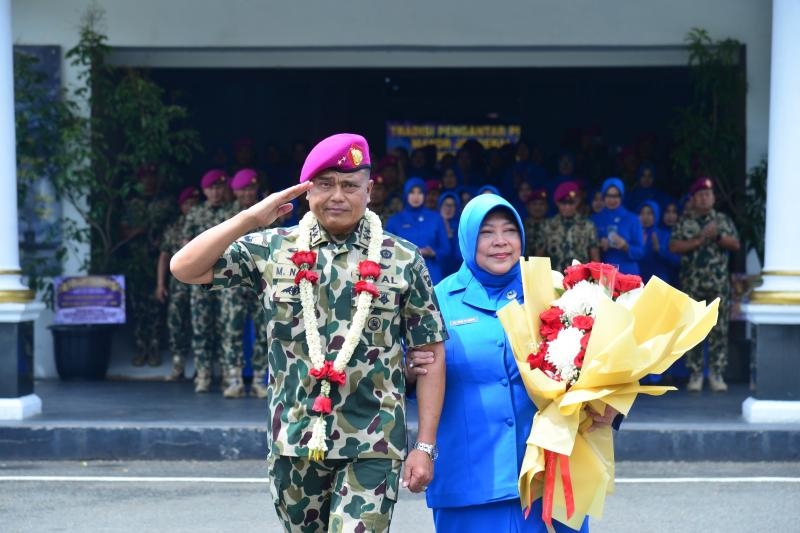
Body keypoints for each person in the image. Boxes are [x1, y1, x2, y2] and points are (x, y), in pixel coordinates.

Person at [171, 133, 448, 532]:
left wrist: (424, 446)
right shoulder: (272, 249)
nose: (338, 195)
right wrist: (251, 217)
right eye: (325, 183)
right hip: (295, 439)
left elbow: (430, 355)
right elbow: (185, 268)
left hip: (373, 443)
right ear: (305, 191)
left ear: (369, 191)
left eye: (350, 185)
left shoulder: (402, 259)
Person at [406, 194, 617, 533]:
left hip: (552, 478)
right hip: (471, 482)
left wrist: (610, 405)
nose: (500, 242)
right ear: (467, 238)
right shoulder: (436, 301)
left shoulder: (556, 292)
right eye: (487, 232)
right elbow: (410, 376)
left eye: (509, 231)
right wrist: (407, 373)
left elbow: (603, 363)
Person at [669, 177, 740, 393]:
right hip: (693, 285)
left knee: (719, 330)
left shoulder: (722, 221)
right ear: (694, 198)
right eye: (700, 195)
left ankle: (717, 373)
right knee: (693, 329)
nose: (704, 198)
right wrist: (699, 240)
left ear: (713, 198)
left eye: (708, 194)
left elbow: (736, 244)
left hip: (718, 286)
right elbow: (673, 246)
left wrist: (717, 235)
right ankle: (696, 373)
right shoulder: (685, 221)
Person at [218, 168, 271, 398]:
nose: (248, 193)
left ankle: (260, 377)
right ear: (236, 192)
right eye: (244, 189)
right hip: (232, 281)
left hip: (260, 280)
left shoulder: (267, 212)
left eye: (252, 188)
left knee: (263, 329)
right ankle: (234, 378)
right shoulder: (225, 215)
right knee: (232, 328)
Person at [182, 168, 231, 393]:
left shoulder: (232, 213)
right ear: (204, 190)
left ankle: (227, 375)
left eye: (220, 187)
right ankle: (202, 375)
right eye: (212, 188)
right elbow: (185, 246)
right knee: (201, 327)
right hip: (200, 279)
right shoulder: (195, 214)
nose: (216, 192)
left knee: (226, 327)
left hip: (226, 278)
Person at [121, 163, 173, 367]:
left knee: (157, 307)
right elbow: (123, 231)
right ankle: (140, 348)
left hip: (159, 261)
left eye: (152, 176)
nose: (149, 180)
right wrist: (141, 231)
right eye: (144, 177)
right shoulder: (132, 204)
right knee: (137, 307)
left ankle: (154, 349)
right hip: (137, 262)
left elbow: (174, 227)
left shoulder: (166, 203)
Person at [156, 186, 200, 380]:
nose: (191, 207)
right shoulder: (174, 228)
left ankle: (201, 367)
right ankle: (178, 364)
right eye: (187, 203)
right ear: (181, 206)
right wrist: (160, 284)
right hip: (179, 284)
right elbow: (164, 256)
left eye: (194, 204)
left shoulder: (204, 223)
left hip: (202, 282)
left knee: (200, 324)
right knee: (176, 322)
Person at [386, 177, 451, 285]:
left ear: (424, 195)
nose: (416, 197)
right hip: (403, 275)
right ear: (406, 194)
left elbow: (446, 249)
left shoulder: (435, 218)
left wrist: (433, 253)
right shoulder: (395, 220)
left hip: (431, 275)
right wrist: (410, 252)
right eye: (412, 192)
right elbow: (386, 249)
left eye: (420, 192)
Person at [538, 182, 600, 272]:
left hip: (580, 282)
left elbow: (595, 259)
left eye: (571, 203)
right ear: (557, 203)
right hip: (554, 279)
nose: (567, 207)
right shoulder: (547, 226)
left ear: (578, 202)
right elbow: (538, 258)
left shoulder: (588, 226)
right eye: (563, 203)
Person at [591, 177, 645, 275]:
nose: (612, 199)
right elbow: (587, 249)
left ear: (621, 197)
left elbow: (640, 252)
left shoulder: (632, 219)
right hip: (604, 274)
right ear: (603, 196)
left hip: (628, 274)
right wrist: (599, 244)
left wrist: (625, 246)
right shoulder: (595, 219)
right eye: (608, 196)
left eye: (616, 196)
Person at [636, 201, 680, 285]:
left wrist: (659, 250)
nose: (645, 217)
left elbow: (676, 261)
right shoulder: (634, 234)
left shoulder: (665, 235)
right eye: (642, 213)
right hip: (638, 281)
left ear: (656, 215)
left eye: (649, 213)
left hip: (659, 283)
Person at [438, 191, 462, 278]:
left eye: (452, 205)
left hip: (457, 274)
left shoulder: (461, 227)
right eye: (446, 205)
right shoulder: (432, 227)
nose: (448, 209)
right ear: (440, 206)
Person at [523, 188, 548, 256]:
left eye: (541, 204)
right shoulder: (521, 226)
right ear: (527, 206)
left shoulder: (553, 227)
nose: (538, 207)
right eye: (534, 204)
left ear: (546, 206)